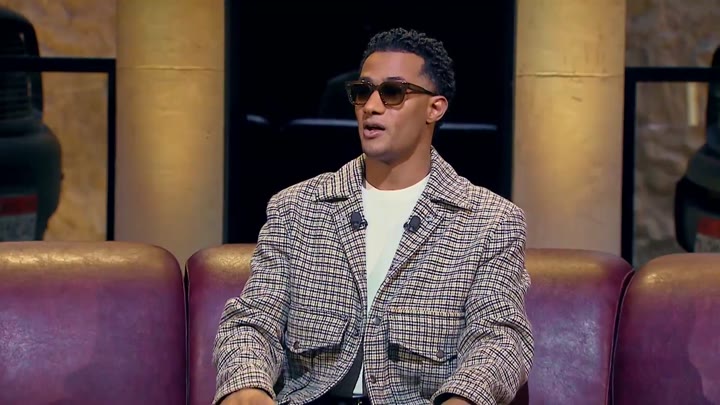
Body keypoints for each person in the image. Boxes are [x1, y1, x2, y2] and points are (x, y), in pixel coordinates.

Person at [213, 27, 534, 405]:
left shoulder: (490, 221)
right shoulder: (297, 208)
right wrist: (248, 388)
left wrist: (464, 398)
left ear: (435, 108)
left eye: (393, 92)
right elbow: (253, 322)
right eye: (363, 92)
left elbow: (499, 338)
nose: (371, 106)